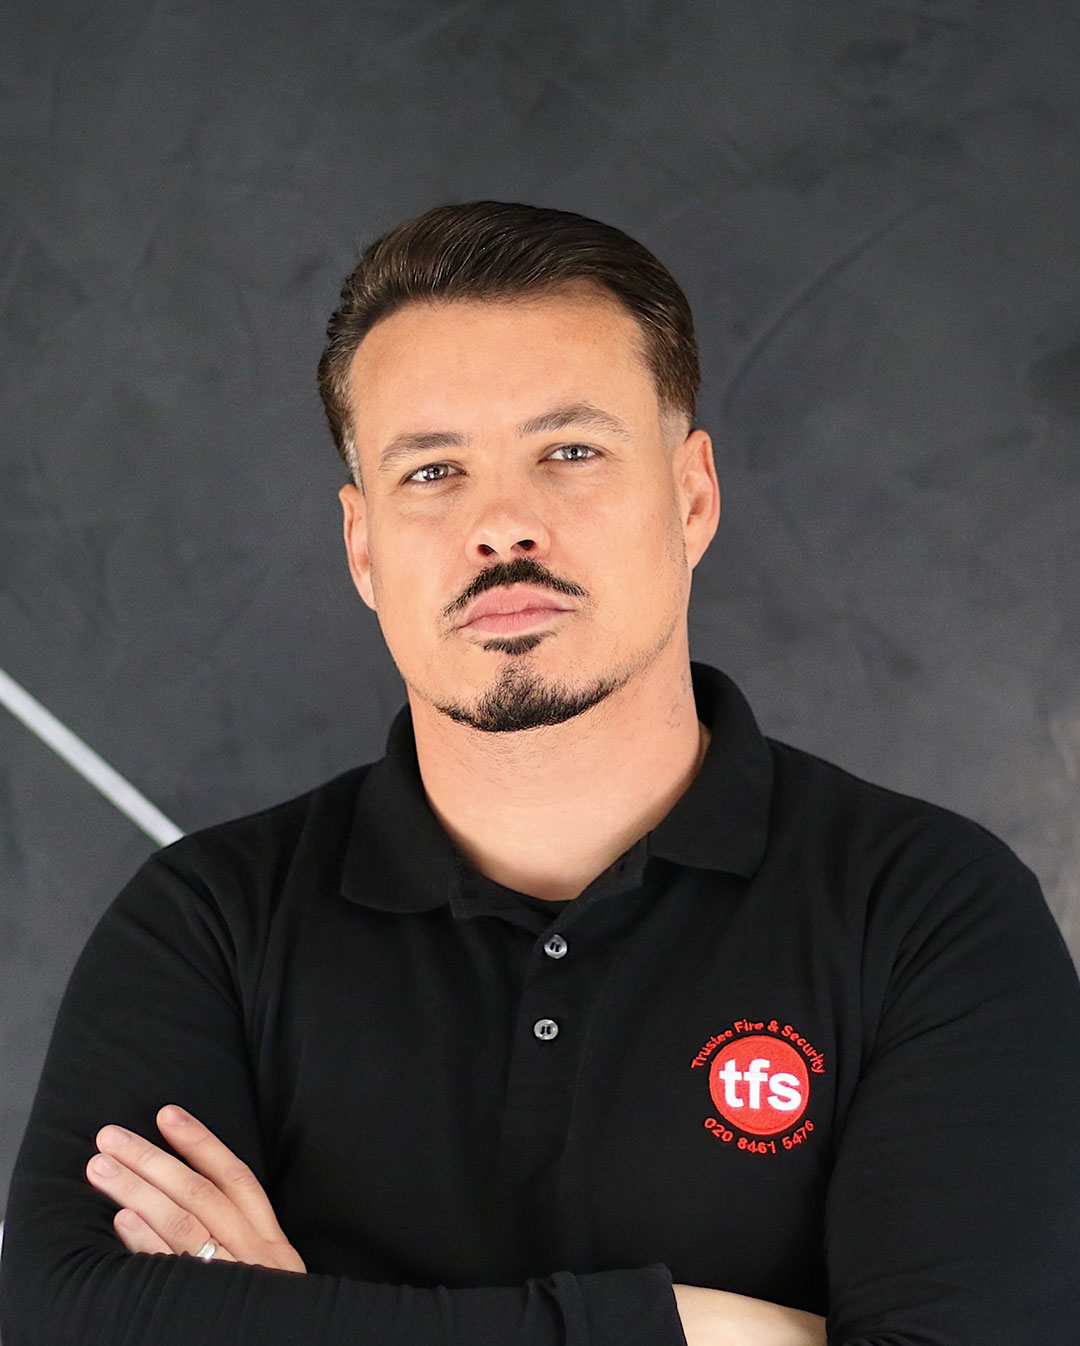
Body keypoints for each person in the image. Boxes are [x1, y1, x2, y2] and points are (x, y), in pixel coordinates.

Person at [1, 201, 1078, 1346]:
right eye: (433, 471)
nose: (502, 524)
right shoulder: (209, 923)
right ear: (363, 546)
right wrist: (689, 1326)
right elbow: (62, 1320)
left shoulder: (925, 910)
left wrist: (288, 1322)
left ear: (693, 496)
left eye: (570, 451)